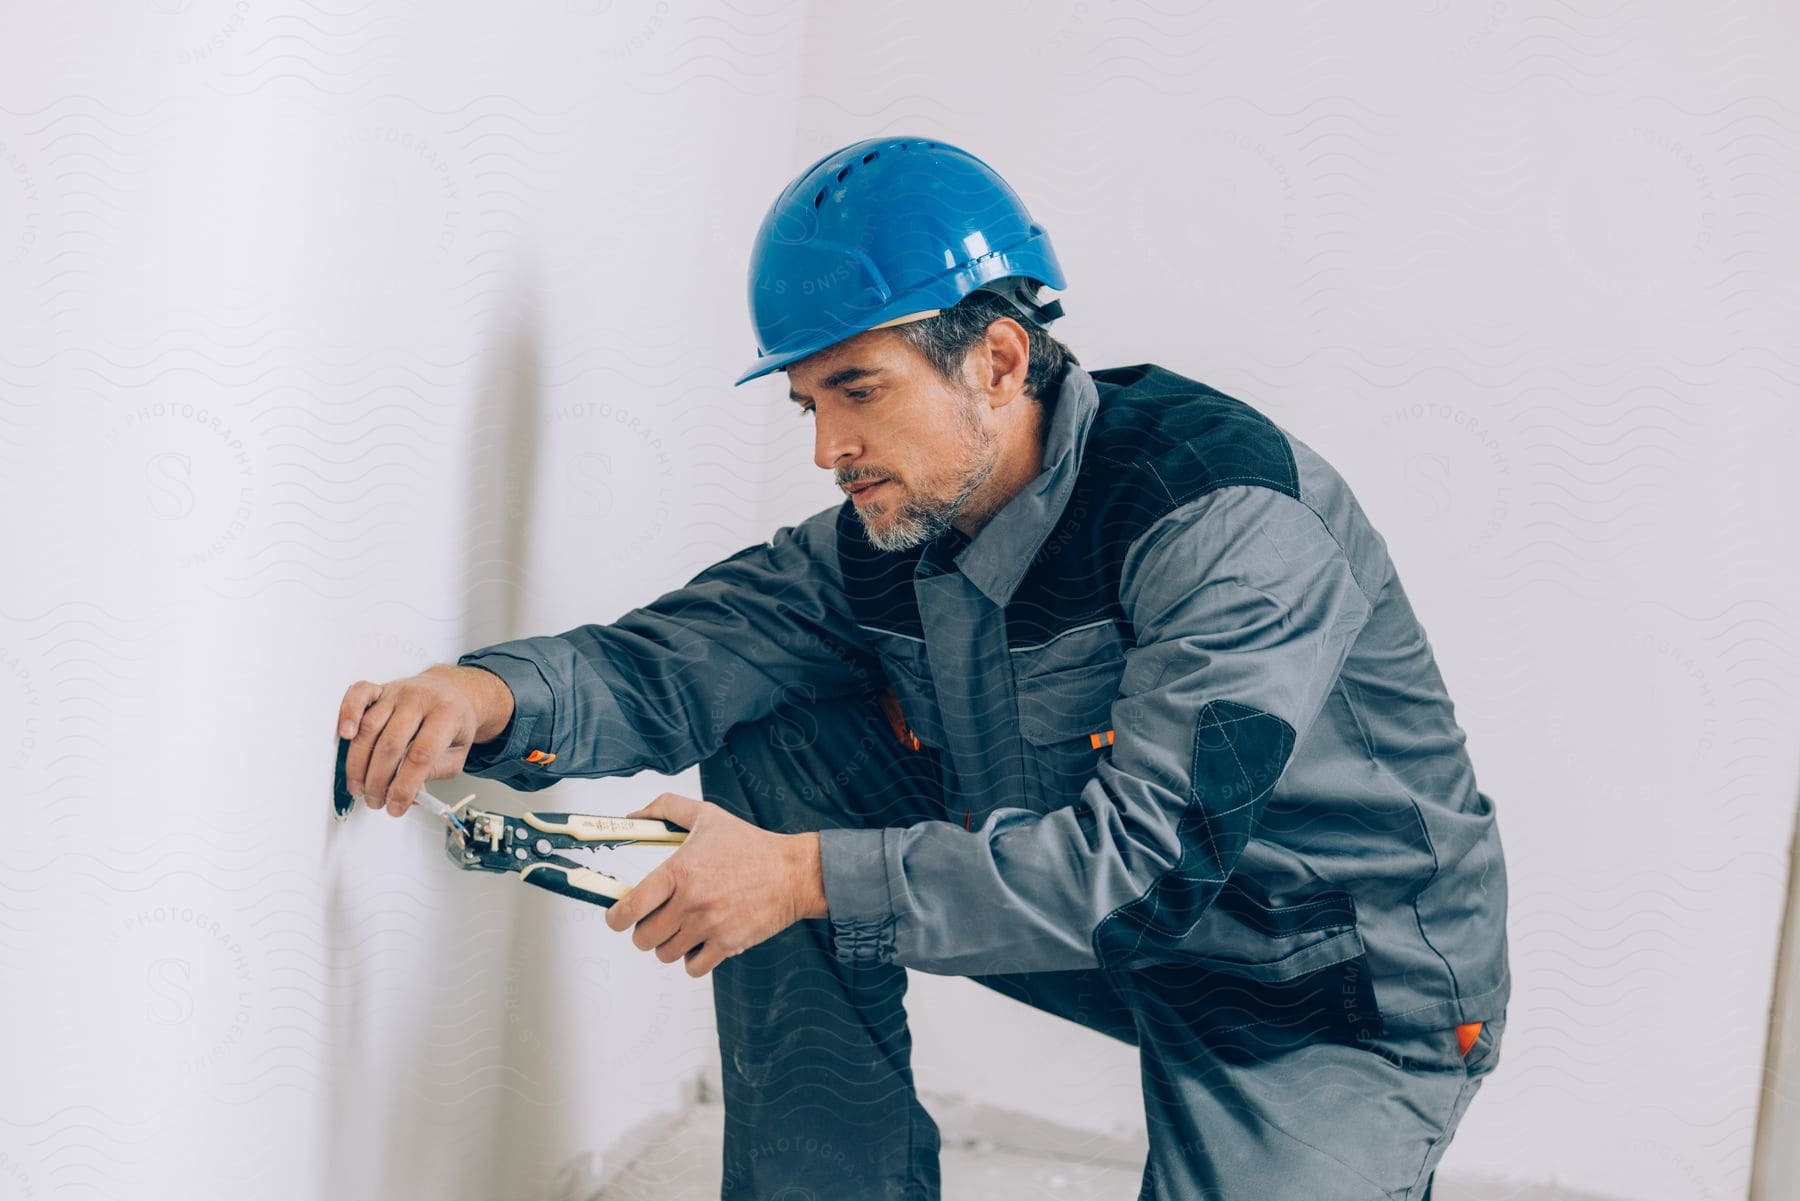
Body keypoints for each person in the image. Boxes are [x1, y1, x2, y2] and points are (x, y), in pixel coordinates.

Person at [336, 137, 1509, 1201]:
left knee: (796, 863)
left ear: (998, 359)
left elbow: (1146, 872)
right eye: (807, 402)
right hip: (1124, 942)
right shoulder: (896, 528)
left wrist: (801, 879)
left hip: (1328, 994)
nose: (827, 449)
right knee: (780, 744)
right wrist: (483, 698)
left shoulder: (1218, 519)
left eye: (860, 390)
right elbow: (686, 656)